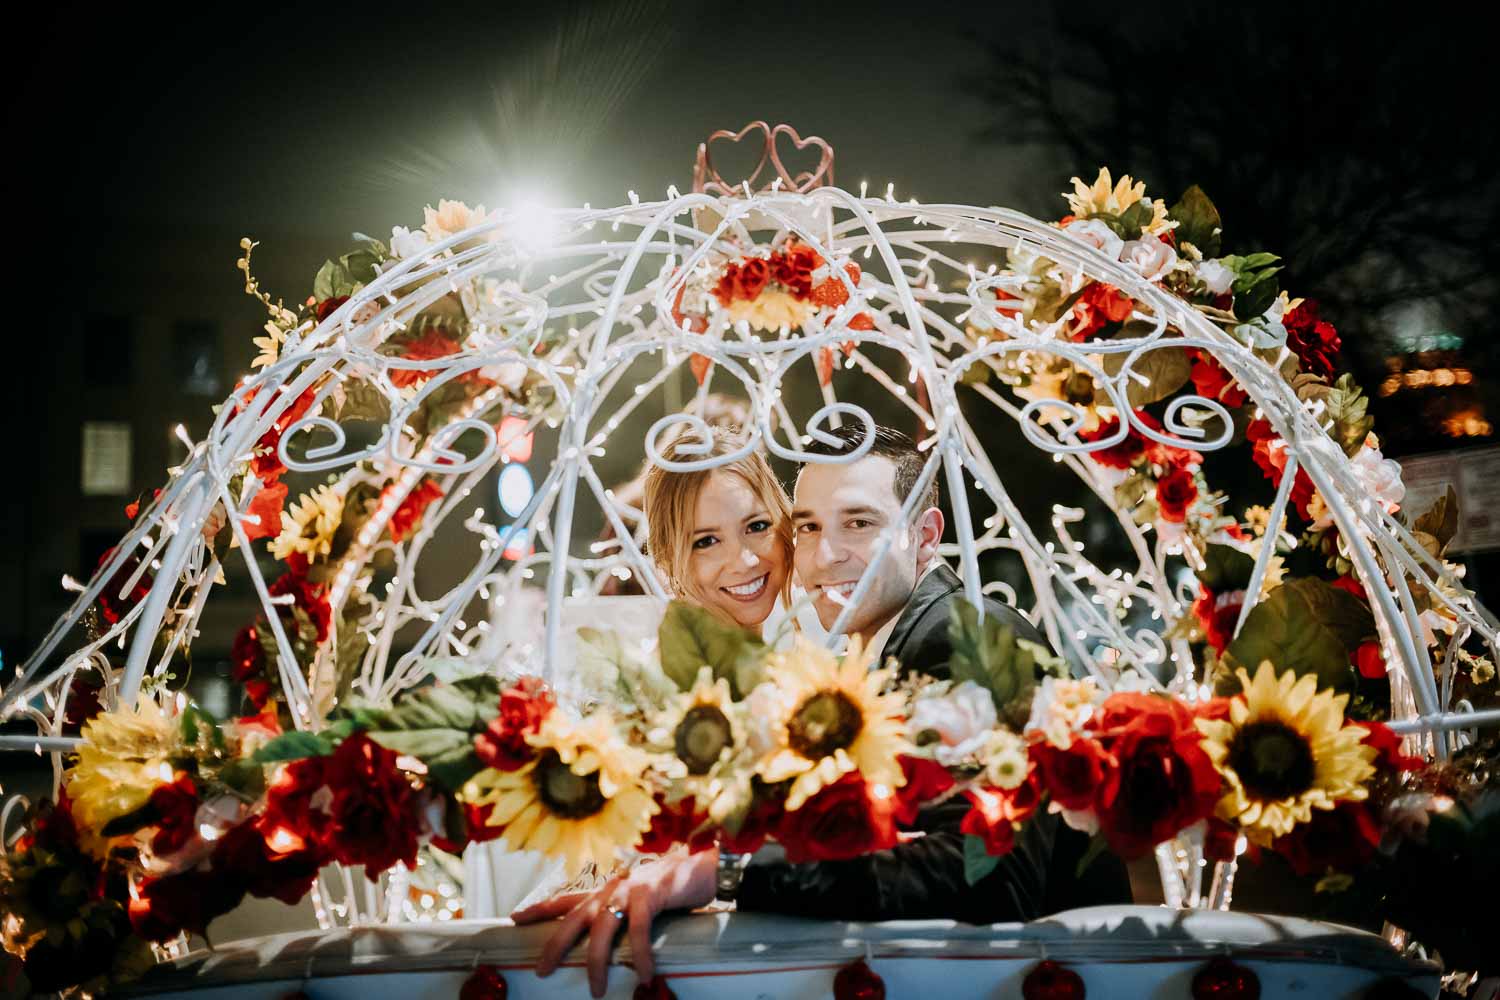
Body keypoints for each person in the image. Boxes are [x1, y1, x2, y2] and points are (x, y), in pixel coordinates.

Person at [513, 424, 1130, 998]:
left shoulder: (960, 638)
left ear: (927, 534)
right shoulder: (857, 665)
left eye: (858, 522)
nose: (822, 553)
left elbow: (987, 873)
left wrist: (722, 873)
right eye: (807, 526)